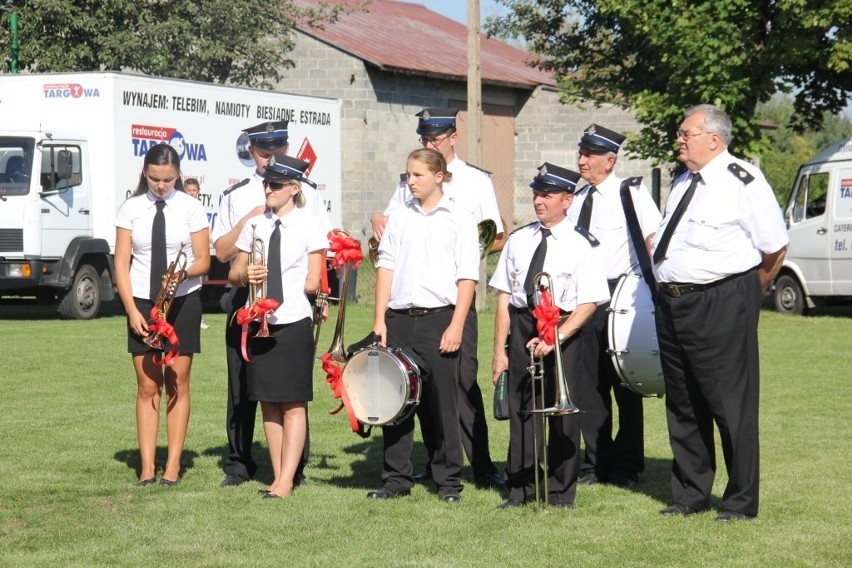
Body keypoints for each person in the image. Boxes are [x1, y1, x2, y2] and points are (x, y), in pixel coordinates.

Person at [651, 104, 788, 522]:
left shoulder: (742, 180)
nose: (679, 139)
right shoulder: (681, 181)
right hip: (673, 301)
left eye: (685, 133)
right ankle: (691, 493)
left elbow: (775, 246)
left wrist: (748, 292)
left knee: (730, 404)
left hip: (722, 300)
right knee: (684, 401)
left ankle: (740, 501)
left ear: (713, 139)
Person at [370, 107, 505, 489]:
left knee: (459, 385)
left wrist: (457, 315)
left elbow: (495, 235)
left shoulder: (476, 182)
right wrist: (378, 218)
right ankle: (428, 465)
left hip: (450, 305)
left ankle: (479, 464)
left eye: (436, 137)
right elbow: (390, 239)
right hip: (406, 307)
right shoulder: (406, 187)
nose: (430, 142)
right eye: (425, 138)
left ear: (452, 137)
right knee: (407, 388)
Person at [212, 120, 331, 488]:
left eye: (276, 182)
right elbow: (228, 264)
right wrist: (244, 274)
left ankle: (290, 476)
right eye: (266, 162)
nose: (268, 184)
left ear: (294, 187)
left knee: (292, 401)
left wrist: (319, 296)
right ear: (253, 152)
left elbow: (316, 273)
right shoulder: (244, 207)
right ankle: (260, 468)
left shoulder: (309, 217)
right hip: (255, 315)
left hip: (292, 316)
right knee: (260, 397)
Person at [489, 163, 609, 508]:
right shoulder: (519, 240)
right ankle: (521, 488)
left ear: (567, 200)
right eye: (536, 194)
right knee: (522, 411)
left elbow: (588, 304)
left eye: (547, 195)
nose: (538, 201)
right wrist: (500, 352)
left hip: (564, 329)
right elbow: (504, 300)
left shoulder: (582, 244)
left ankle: (559, 492)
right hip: (524, 324)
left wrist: (555, 337)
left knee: (562, 414)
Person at [368, 148, 479, 503]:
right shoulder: (400, 217)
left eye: (417, 175)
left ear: (439, 176)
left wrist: (457, 325)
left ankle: (448, 481)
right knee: (395, 398)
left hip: (440, 318)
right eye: (407, 175)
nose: (410, 182)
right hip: (400, 319)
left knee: (442, 402)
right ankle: (396, 479)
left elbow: (467, 277)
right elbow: (385, 266)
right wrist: (379, 320)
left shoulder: (460, 217)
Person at [566, 124, 662, 488]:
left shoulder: (630, 193)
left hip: (622, 295)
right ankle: (595, 463)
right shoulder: (575, 198)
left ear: (609, 160)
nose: (581, 161)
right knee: (589, 384)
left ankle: (626, 466)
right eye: (581, 153)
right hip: (585, 298)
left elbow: (653, 243)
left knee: (626, 383)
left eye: (588, 155)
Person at [114, 143, 211, 486]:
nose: (160, 185)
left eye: (168, 179)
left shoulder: (191, 208)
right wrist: (130, 310)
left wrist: (182, 275)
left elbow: (203, 260)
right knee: (146, 385)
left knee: (177, 383)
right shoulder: (130, 209)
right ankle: (146, 467)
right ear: (144, 172)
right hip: (141, 301)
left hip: (182, 301)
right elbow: (121, 263)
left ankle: (172, 466)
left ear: (178, 175)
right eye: (154, 178)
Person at [183, 178, 210, 330]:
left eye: (194, 191)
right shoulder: (182, 206)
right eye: (189, 190)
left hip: (197, 255)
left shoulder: (198, 207)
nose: (192, 193)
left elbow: (205, 231)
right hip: (185, 255)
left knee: (196, 288)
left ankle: (198, 318)